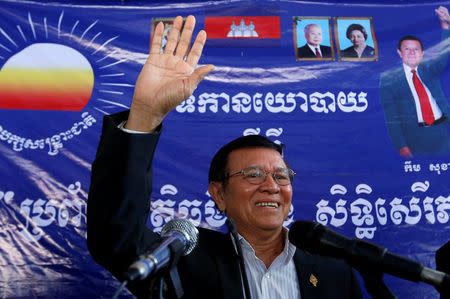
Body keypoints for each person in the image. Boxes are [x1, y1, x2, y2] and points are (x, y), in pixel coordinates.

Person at [87, 15, 362, 298]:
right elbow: (116, 238)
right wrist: (145, 114)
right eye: (253, 175)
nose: (272, 185)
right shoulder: (185, 261)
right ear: (219, 194)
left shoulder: (335, 271)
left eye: (281, 176)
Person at [379, 6, 450, 157]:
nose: (412, 52)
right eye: (407, 49)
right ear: (399, 53)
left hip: (442, 133)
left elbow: (444, 54)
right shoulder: (388, 79)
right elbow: (391, 116)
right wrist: (401, 146)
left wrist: (446, 27)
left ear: (422, 53)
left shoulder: (430, 70)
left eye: (416, 49)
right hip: (416, 138)